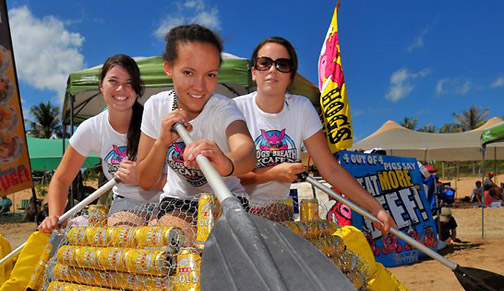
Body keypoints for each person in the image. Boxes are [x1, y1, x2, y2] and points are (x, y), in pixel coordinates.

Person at [233, 36, 394, 232]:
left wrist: (376, 208)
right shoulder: (234, 109)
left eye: (282, 64)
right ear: (254, 72)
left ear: (291, 76)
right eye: (264, 63)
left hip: (278, 212)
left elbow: (330, 169)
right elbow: (227, 173)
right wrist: (271, 174)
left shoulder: (301, 108)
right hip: (235, 211)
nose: (272, 70)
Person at [137, 24, 257, 243]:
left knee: (224, 253)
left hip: (226, 200)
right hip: (179, 202)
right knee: (183, 247)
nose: (200, 86)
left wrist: (226, 161)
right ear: (168, 68)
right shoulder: (155, 106)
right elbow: (144, 180)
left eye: (210, 74)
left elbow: (247, 152)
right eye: (188, 72)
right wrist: (161, 143)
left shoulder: (224, 107)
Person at [39, 54, 160, 232]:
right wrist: (54, 215)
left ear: (137, 89)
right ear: (100, 86)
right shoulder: (92, 129)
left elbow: (180, 179)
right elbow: (61, 179)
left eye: (129, 83)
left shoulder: (155, 122)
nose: (121, 89)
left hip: (166, 201)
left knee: (164, 240)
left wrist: (144, 177)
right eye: (113, 81)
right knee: (123, 239)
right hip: (126, 205)